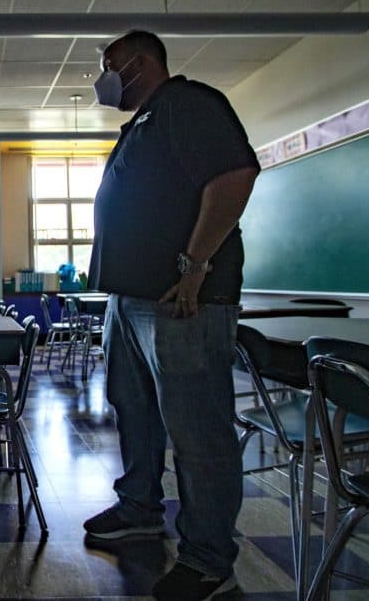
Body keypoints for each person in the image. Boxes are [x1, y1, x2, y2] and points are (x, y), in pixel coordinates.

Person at [84, 31, 259, 600]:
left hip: (179, 301)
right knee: (133, 408)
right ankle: (139, 506)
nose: (104, 77)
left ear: (139, 63)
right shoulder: (143, 122)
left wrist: (194, 267)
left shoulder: (188, 104)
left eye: (109, 66)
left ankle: (208, 558)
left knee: (198, 429)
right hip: (129, 298)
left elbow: (233, 178)